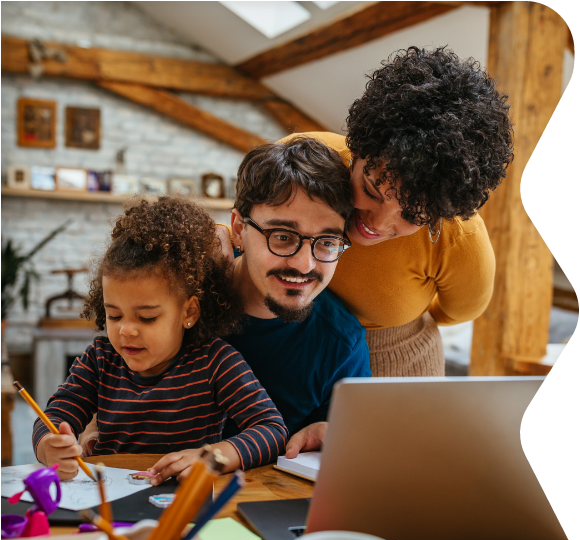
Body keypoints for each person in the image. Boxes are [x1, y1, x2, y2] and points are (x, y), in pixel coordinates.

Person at [276, 46, 513, 379]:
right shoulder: (306, 157)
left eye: (413, 215)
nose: (376, 223)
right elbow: (249, 223)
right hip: (281, 347)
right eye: (372, 190)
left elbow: (458, 311)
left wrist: (395, 316)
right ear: (357, 151)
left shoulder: (460, 239)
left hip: (394, 364)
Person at [33, 196, 288, 482]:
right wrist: (49, 446)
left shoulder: (216, 362)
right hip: (106, 498)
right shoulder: (101, 358)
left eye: (147, 317)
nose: (125, 331)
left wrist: (214, 456)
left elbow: (271, 429)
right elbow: (56, 414)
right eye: (114, 316)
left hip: (180, 503)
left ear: (188, 311)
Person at [219, 136, 372, 458]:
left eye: (328, 241)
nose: (304, 264)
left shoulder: (342, 342)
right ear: (238, 229)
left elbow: (347, 443)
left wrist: (337, 437)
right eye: (283, 237)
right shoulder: (179, 299)